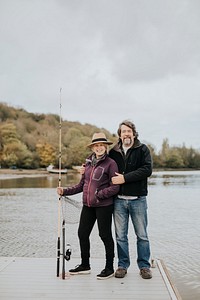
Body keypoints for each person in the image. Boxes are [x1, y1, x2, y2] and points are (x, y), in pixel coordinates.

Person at [57, 132, 119, 280]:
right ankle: (85, 265)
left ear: (105, 147)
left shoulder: (111, 163)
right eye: (96, 145)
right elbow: (81, 186)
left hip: (104, 205)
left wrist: (99, 194)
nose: (99, 148)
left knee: (105, 235)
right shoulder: (88, 164)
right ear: (92, 148)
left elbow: (115, 187)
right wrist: (65, 191)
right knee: (82, 234)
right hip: (88, 206)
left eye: (101, 145)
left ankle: (109, 268)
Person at [109, 120, 153, 279]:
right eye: (123, 131)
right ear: (119, 135)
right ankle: (122, 265)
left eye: (129, 131)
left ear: (134, 133)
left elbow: (147, 170)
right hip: (119, 201)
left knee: (142, 235)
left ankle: (144, 266)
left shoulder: (142, 149)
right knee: (120, 236)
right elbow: (101, 164)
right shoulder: (113, 152)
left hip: (138, 200)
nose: (126, 134)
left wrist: (125, 179)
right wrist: (86, 166)